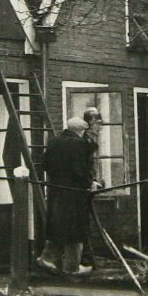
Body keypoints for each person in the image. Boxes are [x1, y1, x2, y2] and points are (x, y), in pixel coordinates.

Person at [39, 117, 95, 276]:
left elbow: (44, 165)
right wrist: (90, 183)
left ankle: (47, 257)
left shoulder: (53, 142)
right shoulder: (80, 144)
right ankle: (72, 267)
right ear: (81, 131)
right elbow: (81, 171)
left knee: (58, 226)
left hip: (56, 192)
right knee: (76, 230)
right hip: (74, 194)